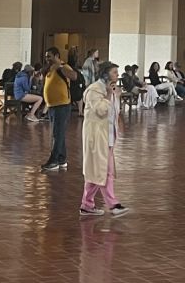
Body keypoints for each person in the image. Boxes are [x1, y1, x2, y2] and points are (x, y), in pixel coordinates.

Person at [80, 63, 128, 217]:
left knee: (98, 171)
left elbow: (115, 111)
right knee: (103, 170)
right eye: (115, 72)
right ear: (106, 74)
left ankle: (87, 204)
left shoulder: (110, 90)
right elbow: (101, 111)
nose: (117, 75)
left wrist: (115, 96)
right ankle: (113, 204)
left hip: (108, 136)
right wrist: (108, 95)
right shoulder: (95, 90)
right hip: (96, 137)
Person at [39, 47, 78, 173]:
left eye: (49, 56)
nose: (47, 59)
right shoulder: (49, 68)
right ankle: (62, 159)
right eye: (46, 56)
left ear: (56, 55)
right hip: (52, 105)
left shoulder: (63, 66)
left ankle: (54, 160)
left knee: (57, 134)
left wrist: (60, 67)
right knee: (58, 133)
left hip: (62, 105)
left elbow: (74, 76)